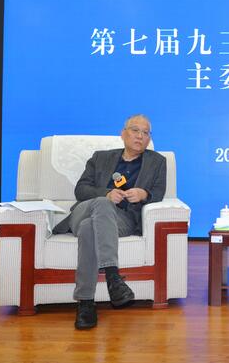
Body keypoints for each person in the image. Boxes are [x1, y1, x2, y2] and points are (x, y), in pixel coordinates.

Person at [52, 114, 167, 330]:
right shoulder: (100, 157)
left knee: (89, 229)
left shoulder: (158, 162)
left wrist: (144, 194)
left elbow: (158, 192)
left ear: (149, 139)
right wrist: (106, 194)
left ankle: (85, 303)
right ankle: (113, 277)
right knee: (101, 205)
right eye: (135, 130)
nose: (140, 136)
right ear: (123, 133)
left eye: (145, 133)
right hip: (85, 211)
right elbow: (81, 190)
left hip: (122, 219)